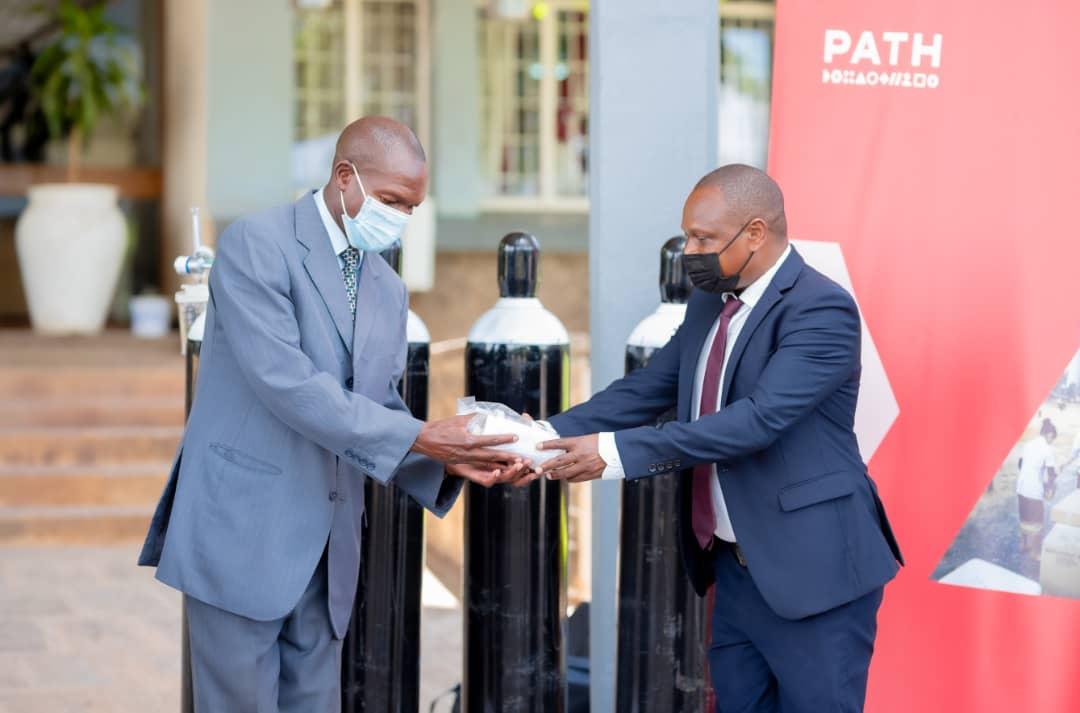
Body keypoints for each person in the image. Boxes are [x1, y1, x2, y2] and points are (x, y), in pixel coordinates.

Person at [139, 117, 527, 712]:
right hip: (242, 532)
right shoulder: (255, 245)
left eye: (412, 207)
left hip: (329, 551)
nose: (401, 217)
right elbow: (288, 383)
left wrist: (458, 456)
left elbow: (374, 405)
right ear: (345, 177)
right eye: (392, 200)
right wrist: (423, 437)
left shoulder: (387, 288)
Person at [531, 164, 903, 712]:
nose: (690, 251)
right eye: (688, 236)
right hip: (735, 571)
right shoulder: (710, 302)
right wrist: (541, 434)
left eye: (704, 238)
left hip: (815, 575)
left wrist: (615, 454)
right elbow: (650, 387)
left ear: (755, 233)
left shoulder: (820, 308)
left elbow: (758, 421)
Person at [1015, 417, 1058, 559]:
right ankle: (1035, 552)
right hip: (1034, 490)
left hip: (1021, 487)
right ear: (1049, 435)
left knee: (1025, 517)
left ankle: (1023, 545)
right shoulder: (1048, 449)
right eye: (1052, 439)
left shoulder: (1028, 444)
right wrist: (1049, 489)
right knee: (1037, 522)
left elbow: (1020, 464)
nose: (1052, 442)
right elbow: (1051, 475)